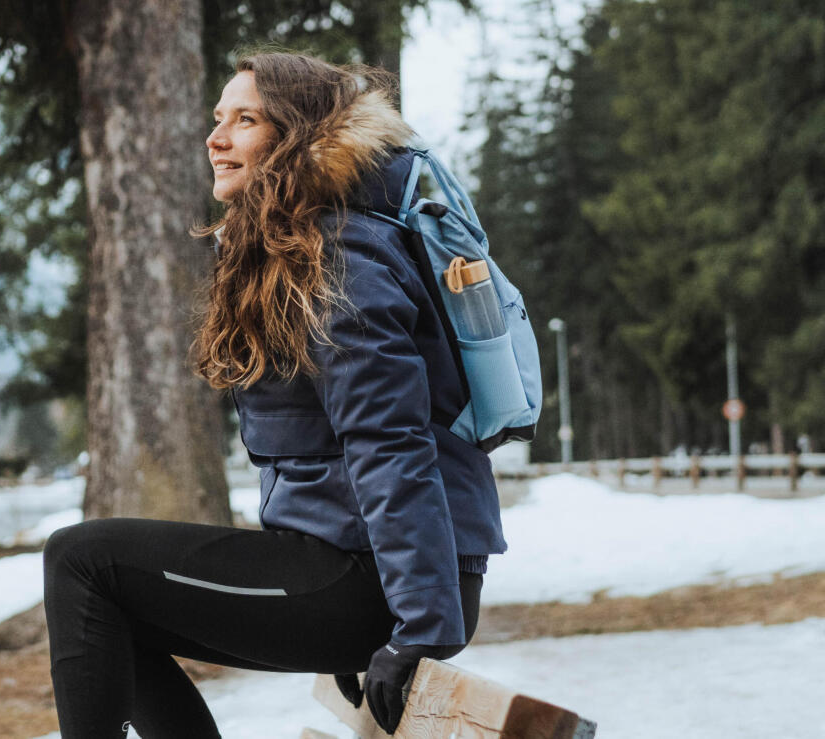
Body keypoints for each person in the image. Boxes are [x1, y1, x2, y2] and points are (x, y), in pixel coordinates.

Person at [43, 51, 503, 738]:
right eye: (217, 118)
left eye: (245, 119)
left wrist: (418, 629)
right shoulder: (310, 245)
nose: (216, 137)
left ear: (297, 139)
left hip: (372, 582)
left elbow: (390, 445)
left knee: (82, 560)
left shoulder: (344, 258)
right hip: (359, 569)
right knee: (104, 598)